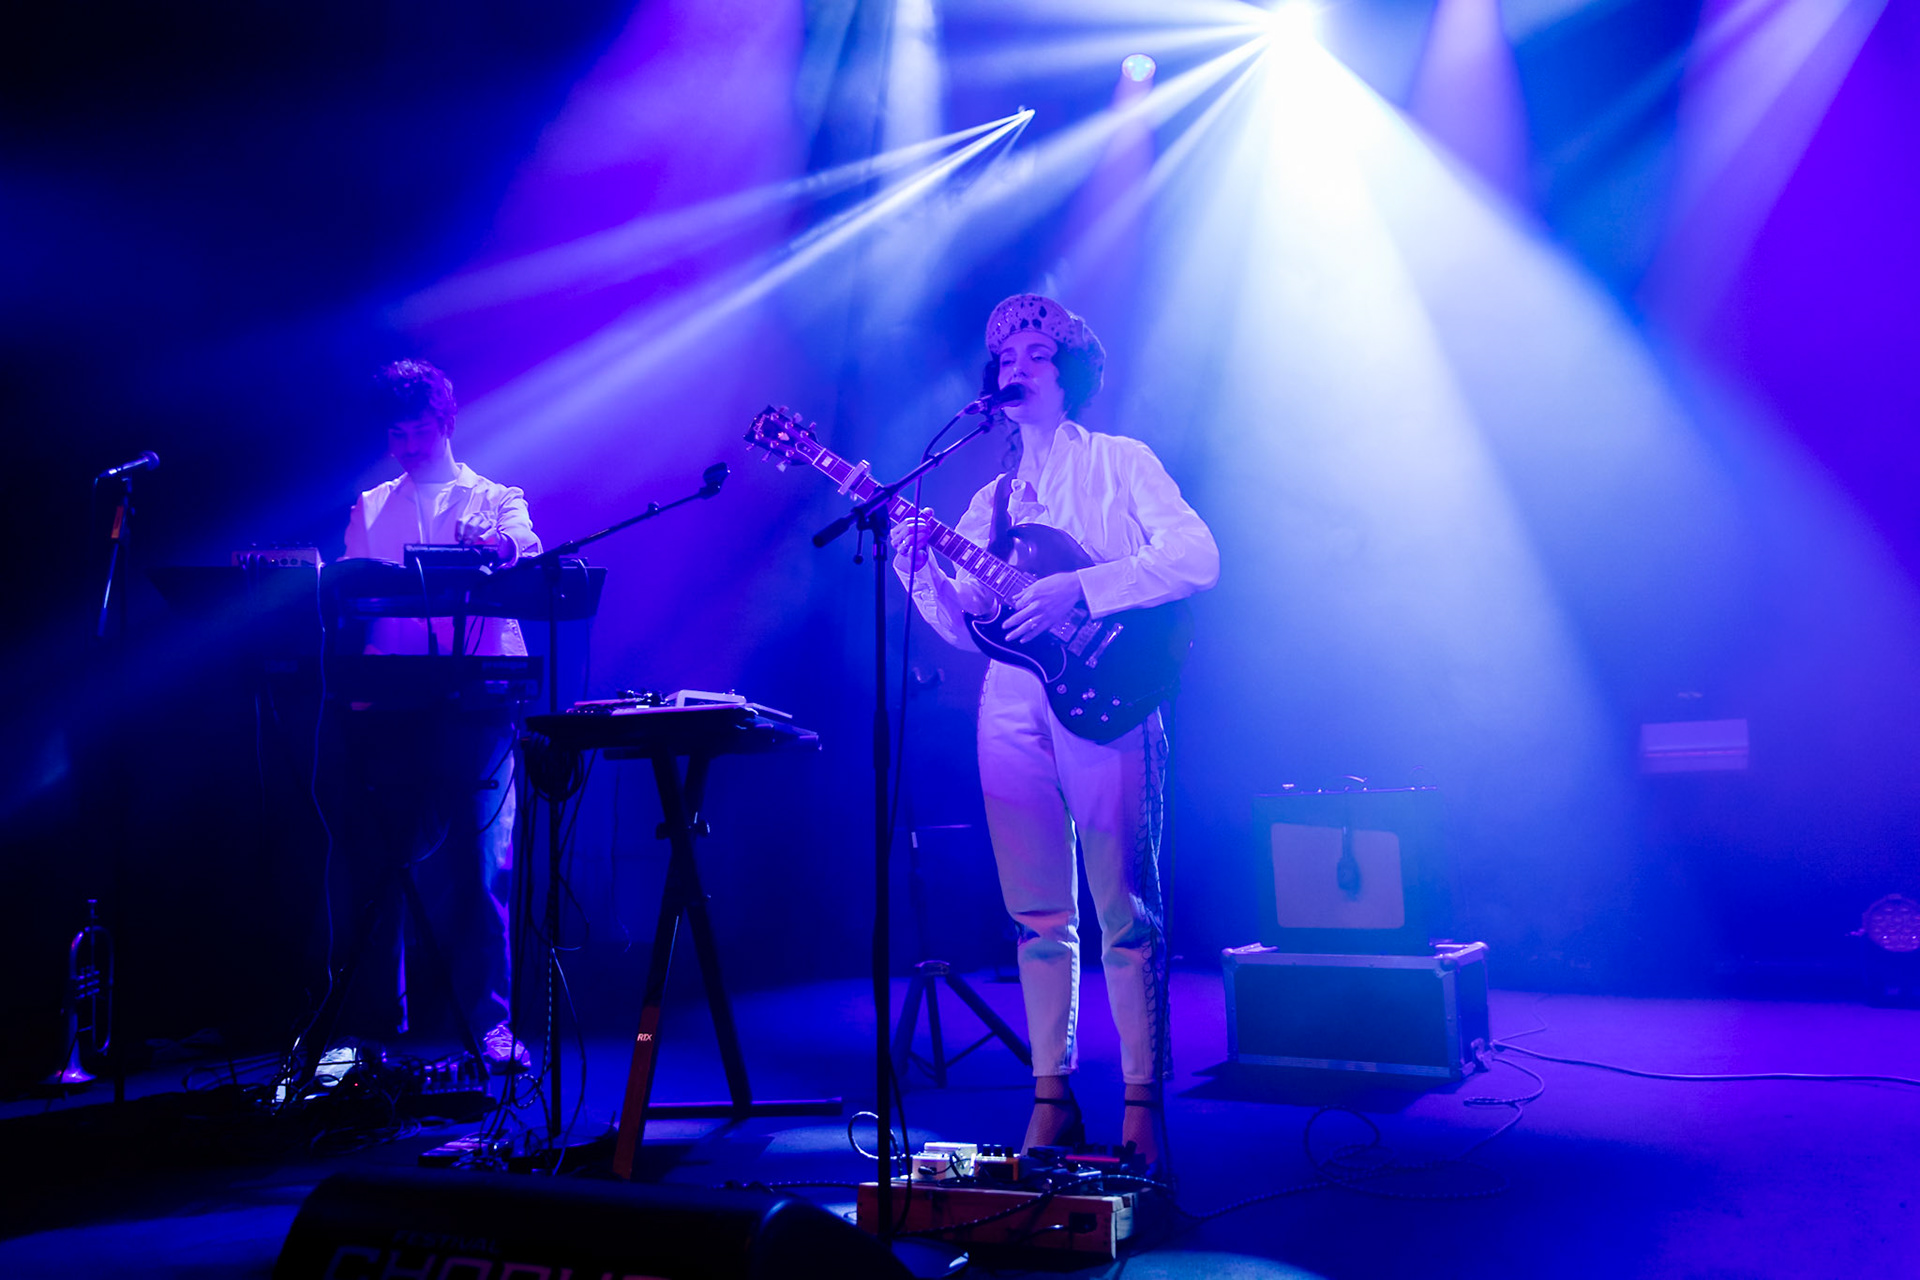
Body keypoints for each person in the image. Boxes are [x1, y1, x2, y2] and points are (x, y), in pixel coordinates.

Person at [891, 296, 1219, 1171]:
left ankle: (1142, 1100)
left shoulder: (1122, 462)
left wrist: (1082, 590)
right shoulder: (988, 498)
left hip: (1111, 687)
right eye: (1004, 356)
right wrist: (917, 563)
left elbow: (1198, 558)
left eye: (1036, 352)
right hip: (1010, 699)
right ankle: (1051, 1095)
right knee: (1037, 911)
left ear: (1069, 374)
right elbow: (965, 628)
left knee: (1125, 908)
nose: (1016, 366)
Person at [339, 358, 539, 1071]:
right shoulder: (368, 505)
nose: (404, 445)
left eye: (416, 429)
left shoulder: (493, 496)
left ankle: (488, 1023)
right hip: (393, 702)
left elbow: (530, 548)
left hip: (479, 705)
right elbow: (355, 599)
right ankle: (371, 1026)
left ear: (446, 423)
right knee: (381, 863)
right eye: (394, 434)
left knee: (482, 866)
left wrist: (497, 546)